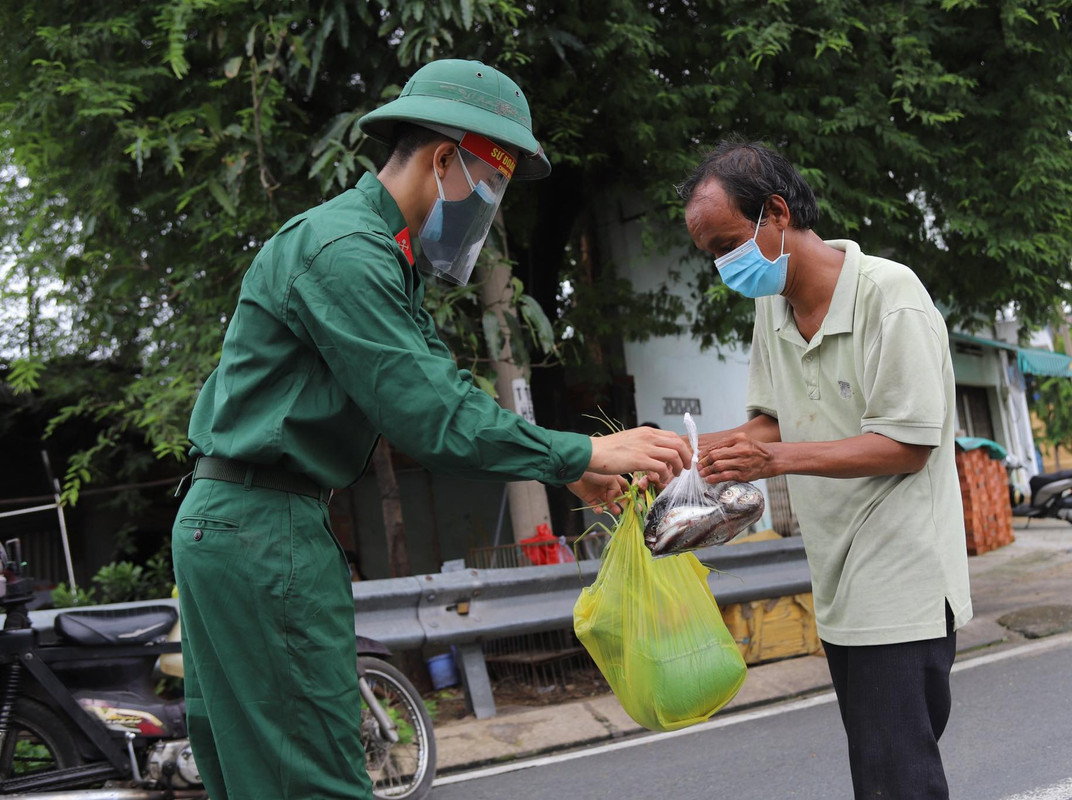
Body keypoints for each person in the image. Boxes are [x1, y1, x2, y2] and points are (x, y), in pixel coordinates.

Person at [171, 59, 691, 800]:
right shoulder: (347, 252)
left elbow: (437, 396)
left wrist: (570, 470)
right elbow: (431, 413)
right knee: (312, 780)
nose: (491, 206)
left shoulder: (381, 257)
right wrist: (581, 449)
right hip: (262, 531)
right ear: (447, 159)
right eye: (494, 184)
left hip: (247, 526)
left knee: (258, 779)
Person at [677, 139, 971, 799]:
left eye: (726, 243)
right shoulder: (771, 307)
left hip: (902, 576)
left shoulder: (888, 295)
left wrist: (771, 459)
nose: (722, 265)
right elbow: (775, 421)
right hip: (835, 574)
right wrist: (691, 456)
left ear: (775, 212)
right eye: (710, 254)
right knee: (890, 768)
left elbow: (907, 444)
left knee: (895, 780)